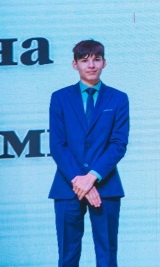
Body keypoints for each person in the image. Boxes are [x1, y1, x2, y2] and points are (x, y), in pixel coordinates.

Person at [49, 39, 129, 267]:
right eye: (84, 60)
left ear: (105, 63)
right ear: (74, 64)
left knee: (107, 256)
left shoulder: (118, 98)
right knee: (67, 256)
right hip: (68, 186)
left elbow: (118, 144)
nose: (91, 65)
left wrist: (92, 177)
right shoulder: (60, 97)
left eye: (96, 59)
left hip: (106, 186)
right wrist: (80, 180)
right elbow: (57, 145)